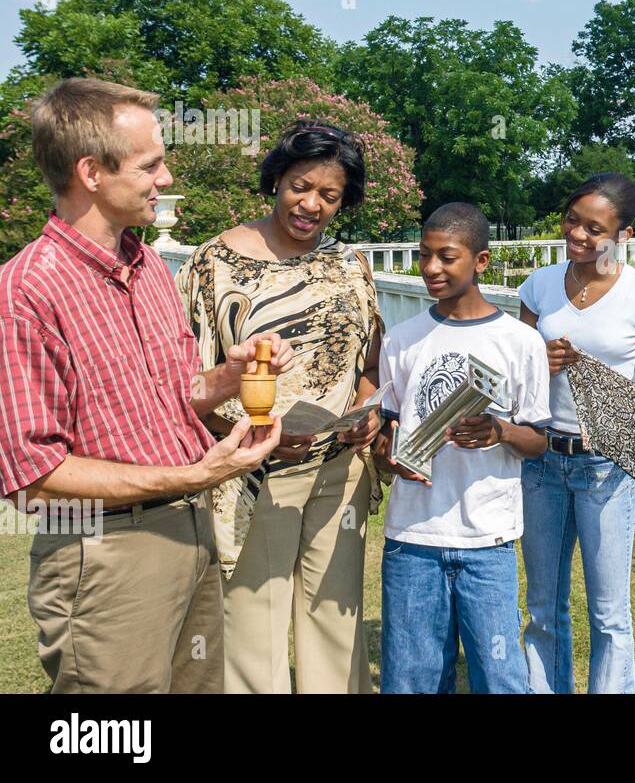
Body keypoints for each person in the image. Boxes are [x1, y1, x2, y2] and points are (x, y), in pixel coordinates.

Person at [0, 77, 290, 693]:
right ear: (91, 172)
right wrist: (192, 477)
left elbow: (172, 396)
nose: (164, 179)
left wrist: (229, 377)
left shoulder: (150, 266)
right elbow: (33, 480)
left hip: (189, 532)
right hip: (104, 554)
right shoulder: (26, 292)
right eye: (151, 164)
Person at [175, 120, 384, 694]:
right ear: (275, 180)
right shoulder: (212, 264)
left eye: (329, 195)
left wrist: (368, 412)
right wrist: (244, 435)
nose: (311, 204)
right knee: (252, 630)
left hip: (339, 471)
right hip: (252, 473)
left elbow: (370, 366)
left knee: (335, 627)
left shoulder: (350, 267)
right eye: (300, 186)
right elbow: (188, 384)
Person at [373, 202, 550, 694]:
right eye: (425, 255)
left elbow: (538, 441)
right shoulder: (403, 340)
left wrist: (500, 432)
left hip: (488, 539)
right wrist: (390, 457)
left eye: (446, 257)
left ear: (482, 261)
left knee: (500, 677)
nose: (431, 268)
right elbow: (387, 435)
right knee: (411, 678)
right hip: (413, 538)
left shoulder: (520, 342)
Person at [517, 172, 635, 694]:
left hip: (606, 463)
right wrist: (539, 361)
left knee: (610, 613)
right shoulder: (539, 285)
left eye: (595, 228)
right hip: (541, 459)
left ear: (624, 235)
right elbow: (516, 372)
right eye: (572, 220)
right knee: (544, 605)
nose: (579, 235)